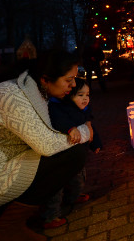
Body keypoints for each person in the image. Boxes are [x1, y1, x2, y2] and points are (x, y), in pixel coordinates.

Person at [0, 49, 91, 241]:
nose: (73, 85)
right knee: (72, 155)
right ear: (45, 79)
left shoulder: (32, 91)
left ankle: (1, 218)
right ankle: (8, 227)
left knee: (66, 152)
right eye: (68, 80)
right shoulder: (11, 95)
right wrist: (86, 132)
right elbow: (47, 145)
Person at [42, 78, 102, 229]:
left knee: (79, 178)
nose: (85, 99)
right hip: (60, 157)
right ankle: (50, 216)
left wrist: (95, 143)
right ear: (69, 96)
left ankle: (73, 196)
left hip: (76, 156)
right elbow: (58, 121)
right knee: (57, 187)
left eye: (87, 95)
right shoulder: (59, 108)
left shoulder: (84, 110)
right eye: (80, 95)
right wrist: (70, 128)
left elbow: (90, 127)